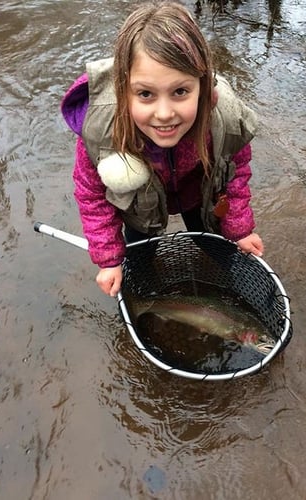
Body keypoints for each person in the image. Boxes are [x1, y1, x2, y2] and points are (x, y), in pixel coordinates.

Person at [61, 1, 264, 298]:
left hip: (197, 192)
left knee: (220, 249)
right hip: (140, 202)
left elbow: (235, 176)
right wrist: (108, 260)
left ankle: (229, 285)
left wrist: (240, 230)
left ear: (203, 86)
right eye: (145, 94)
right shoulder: (103, 132)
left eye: (180, 91)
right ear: (122, 90)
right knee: (138, 259)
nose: (165, 113)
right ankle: (142, 292)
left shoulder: (224, 121)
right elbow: (92, 195)